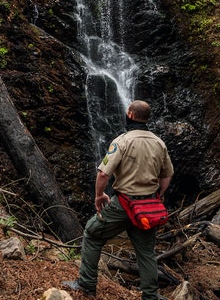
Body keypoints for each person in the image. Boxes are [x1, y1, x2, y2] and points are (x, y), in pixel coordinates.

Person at [63, 100, 173, 299]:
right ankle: (150, 295)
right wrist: (159, 196)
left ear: (130, 114)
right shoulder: (159, 143)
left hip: (123, 204)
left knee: (92, 232)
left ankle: (86, 284)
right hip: (148, 206)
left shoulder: (122, 141)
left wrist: (99, 196)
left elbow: (104, 174)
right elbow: (166, 176)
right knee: (146, 252)